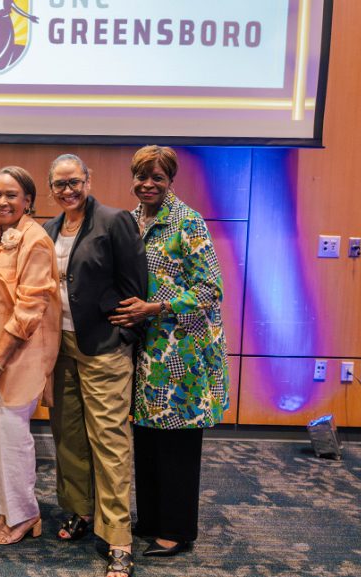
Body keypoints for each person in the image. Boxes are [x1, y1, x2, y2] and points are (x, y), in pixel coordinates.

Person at [110, 145, 230, 558]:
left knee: (176, 442)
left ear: (171, 181)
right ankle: (152, 519)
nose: (148, 184)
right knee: (145, 436)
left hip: (183, 352)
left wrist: (157, 307)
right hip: (146, 351)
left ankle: (177, 530)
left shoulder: (188, 222)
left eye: (157, 178)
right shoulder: (129, 222)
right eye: (141, 177)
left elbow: (210, 290)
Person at [42, 155, 147, 577]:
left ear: (89, 180)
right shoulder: (48, 229)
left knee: (108, 440)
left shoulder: (113, 220)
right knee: (67, 436)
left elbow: (135, 285)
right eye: (60, 185)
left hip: (102, 347)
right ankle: (80, 512)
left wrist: (123, 334)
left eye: (74, 182)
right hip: (59, 347)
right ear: (50, 189)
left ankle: (118, 535)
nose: (68, 191)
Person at [0, 166, 60, 546]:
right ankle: (5, 509)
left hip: (15, 359)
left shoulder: (34, 240)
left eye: (11, 195)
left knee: (13, 439)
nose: (2, 201)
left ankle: (26, 514)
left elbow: (29, 310)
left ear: (28, 201)